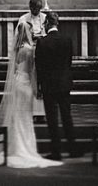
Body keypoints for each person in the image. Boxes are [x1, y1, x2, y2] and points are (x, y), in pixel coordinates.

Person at [0, 21, 62, 168]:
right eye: (31, 31)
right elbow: (32, 71)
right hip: (25, 85)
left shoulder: (17, 49)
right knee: (25, 117)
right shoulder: (30, 49)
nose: (32, 33)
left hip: (17, 82)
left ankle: (14, 146)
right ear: (27, 32)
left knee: (17, 116)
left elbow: (14, 71)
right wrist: (37, 89)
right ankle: (25, 148)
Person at [35, 11, 78, 159]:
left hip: (49, 84)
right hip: (64, 83)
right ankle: (73, 149)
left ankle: (56, 152)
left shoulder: (42, 42)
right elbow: (69, 62)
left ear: (47, 23)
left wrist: (39, 86)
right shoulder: (67, 40)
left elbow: (39, 66)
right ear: (57, 23)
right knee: (67, 116)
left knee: (52, 119)